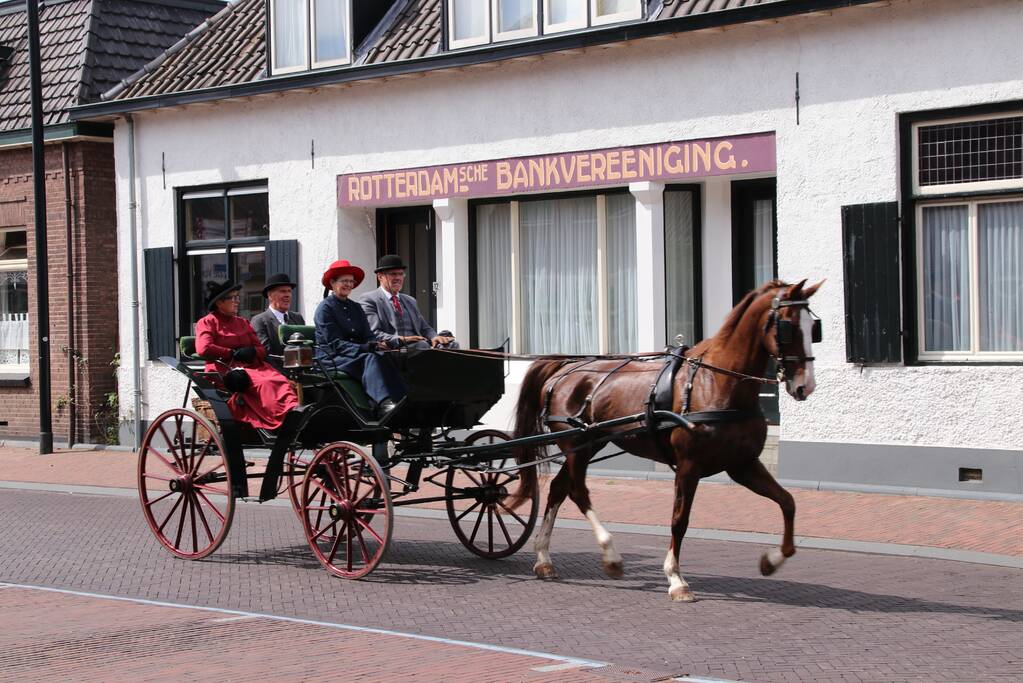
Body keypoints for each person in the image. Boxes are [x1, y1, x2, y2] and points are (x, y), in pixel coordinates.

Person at [195, 281, 302, 500]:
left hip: (252, 366)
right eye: (232, 298)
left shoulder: (243, 322)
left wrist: (252, 350)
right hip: (227, 371)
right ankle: (280, 418)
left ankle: (292, 411)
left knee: (280, 380)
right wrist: (231, 352)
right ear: (219, 303)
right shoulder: (207, 322)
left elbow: (261, 349)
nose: (236, 301)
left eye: (236, 297)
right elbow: (203, 348)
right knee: (265, 384)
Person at [313, 259, 406, 418]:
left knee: (389, 356)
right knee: (370, 359)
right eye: (344, 281)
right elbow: (334, 344)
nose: (348, 284)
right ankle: (383, 402)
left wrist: (376, 344)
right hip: (333, 358)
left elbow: (368, 334)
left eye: (351, 281)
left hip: (356, 354)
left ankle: (402, 400)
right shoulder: (325, 308)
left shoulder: (355, 307)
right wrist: (365, 348)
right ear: (333, 283)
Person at [360, 254, 458, 350]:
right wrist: (402, 339)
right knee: (422, 346)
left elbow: (424, 328)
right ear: (380, 276)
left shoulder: (410, 300)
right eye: (393, 274)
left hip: (418, 345)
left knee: (451, 345)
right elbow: (373, 332)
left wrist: (434, 337)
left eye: (401, 274)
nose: (398, 278)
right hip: (393, 348)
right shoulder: (369, 299)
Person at [250, 273, 305, 357]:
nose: (287, 295)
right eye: (282, 291)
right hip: (275, 368)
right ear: (270, 295)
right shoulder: (259, 321)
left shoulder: (297, 318)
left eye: (289, 291)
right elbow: (266, 352)